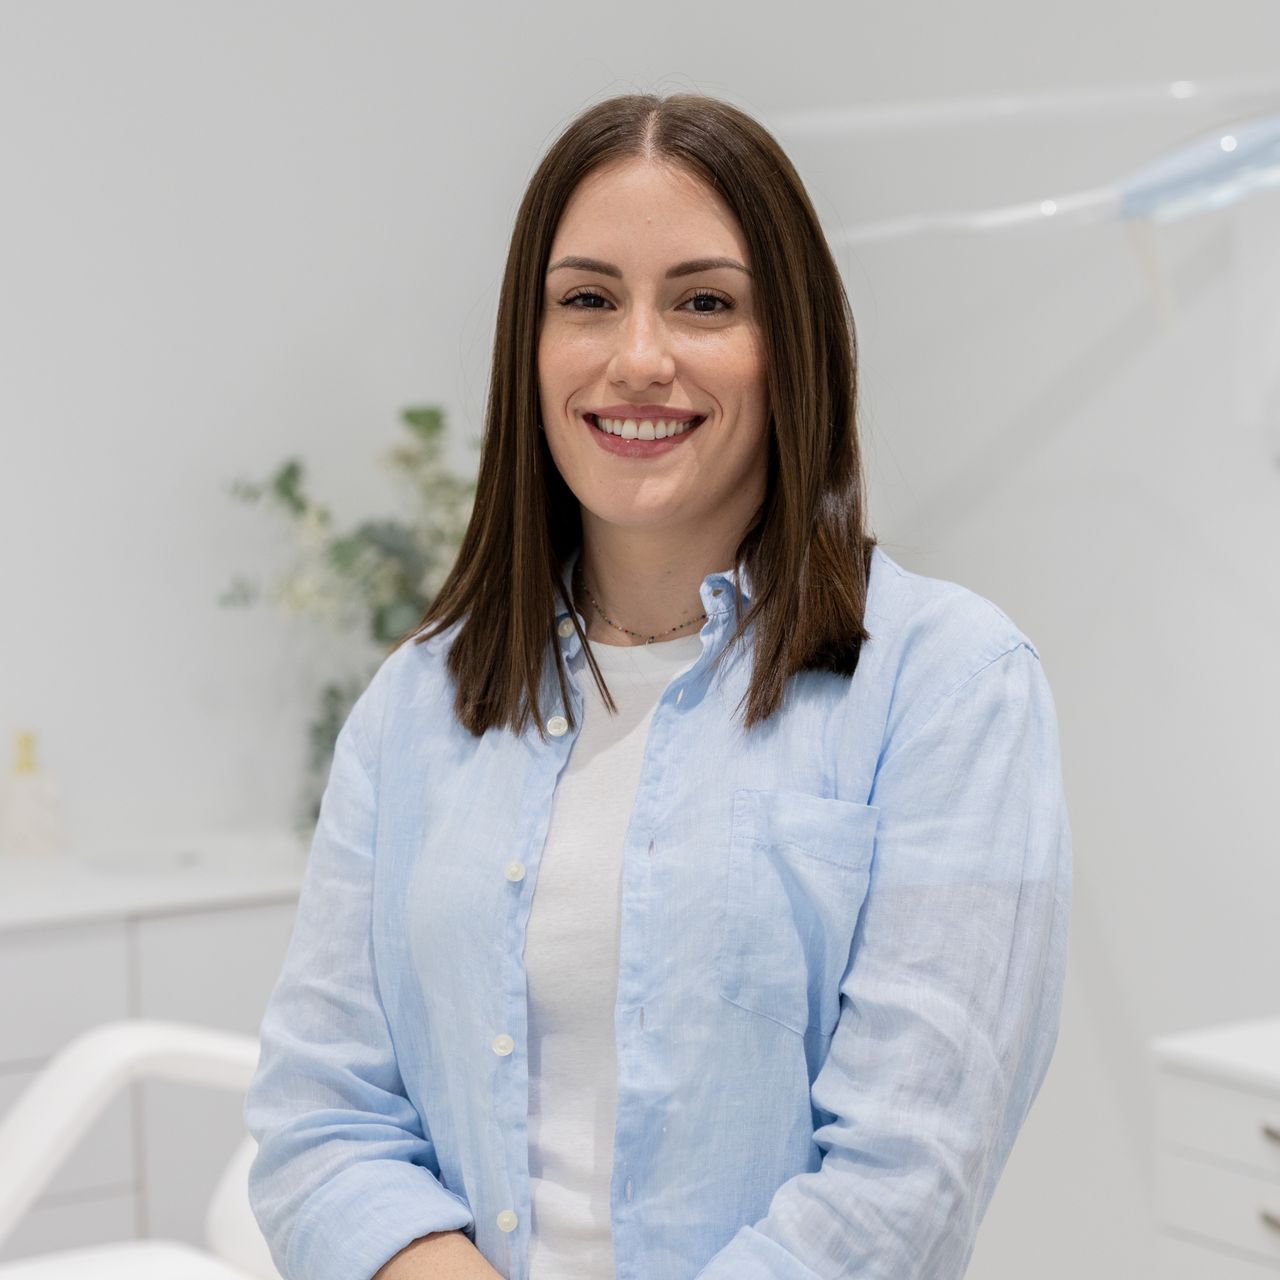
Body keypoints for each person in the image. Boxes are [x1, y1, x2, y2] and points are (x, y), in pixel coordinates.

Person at [244, 92, 1072, 1280]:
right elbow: (318, 1119)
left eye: (704, 302)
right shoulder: (415, 703)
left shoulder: (949, 687)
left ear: (789, 345)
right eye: (587, 300)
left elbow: (902, 1179)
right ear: (528, 347)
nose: (637, 358)